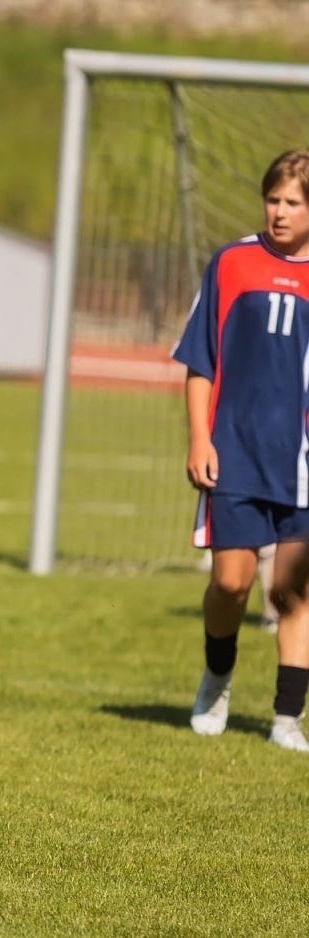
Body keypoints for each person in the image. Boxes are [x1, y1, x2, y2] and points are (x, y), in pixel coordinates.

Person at [179, 148, 309, 753]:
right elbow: (200, 361)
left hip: (302, 464)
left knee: (294, 592)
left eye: (293, 202)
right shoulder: (232, 261)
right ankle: (218, 676)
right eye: (273, 199)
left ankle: (287, 718)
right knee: (231, 584)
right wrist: (199, 437)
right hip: (232, 453)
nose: (279, 212)